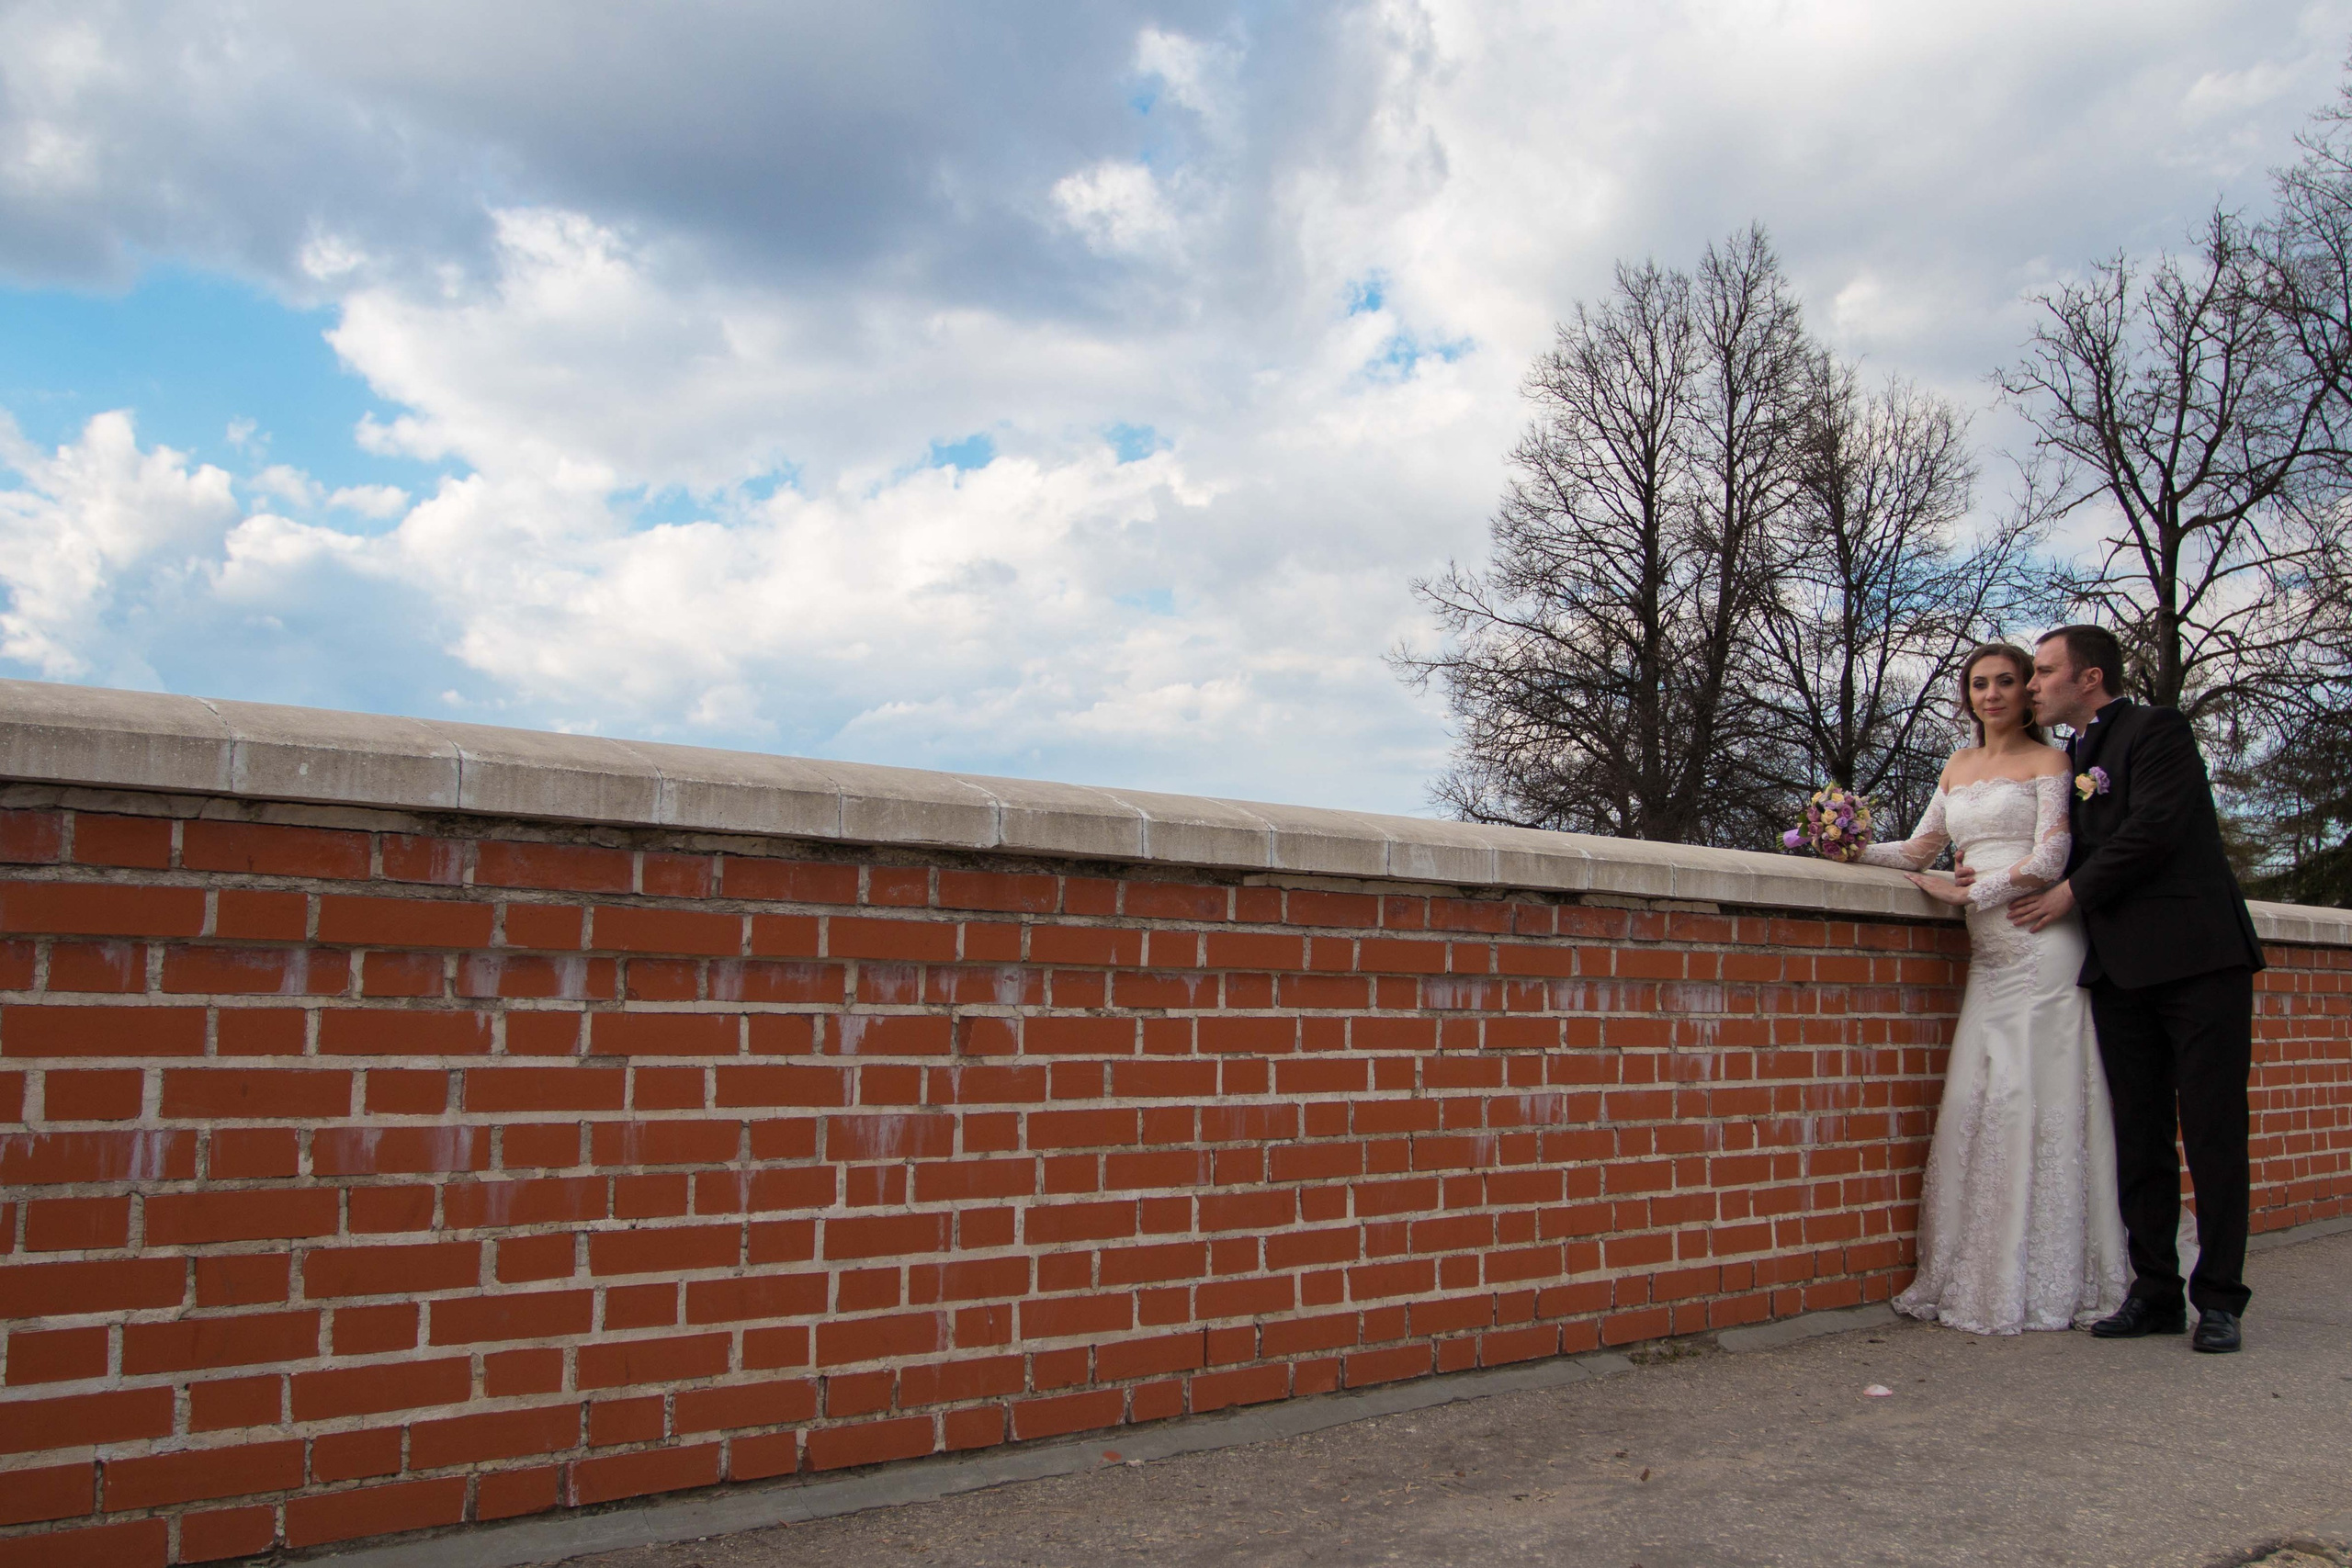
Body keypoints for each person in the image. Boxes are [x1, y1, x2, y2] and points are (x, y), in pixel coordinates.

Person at [2005, 626, 2266, 1354]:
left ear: (2088, 678)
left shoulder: (2159, 730)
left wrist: (2070, 895)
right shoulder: (2072, 758)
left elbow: (2154, 827)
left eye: (2044, 672)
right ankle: (2155, 1289)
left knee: (2213, 1132)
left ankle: (2219, 1297)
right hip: (2118, 971)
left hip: (2197, 961)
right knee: (2140, 1135)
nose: (2031, 686)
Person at [1858, 642, 2128, 1334]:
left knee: (2030, 1098)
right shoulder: (1958, 765)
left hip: (2042, 944)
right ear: (1966, 694)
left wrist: (1975, 893)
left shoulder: (2051, 761)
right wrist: (1843, 844)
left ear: (2026, 692)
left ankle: (2047, 1273)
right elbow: (1918, 852)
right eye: (1980, 684)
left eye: (2008, 681)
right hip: (1989, 960)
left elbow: (2052, 856)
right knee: (1979, 1098)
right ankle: (1975, 1265)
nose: (1994, 694)